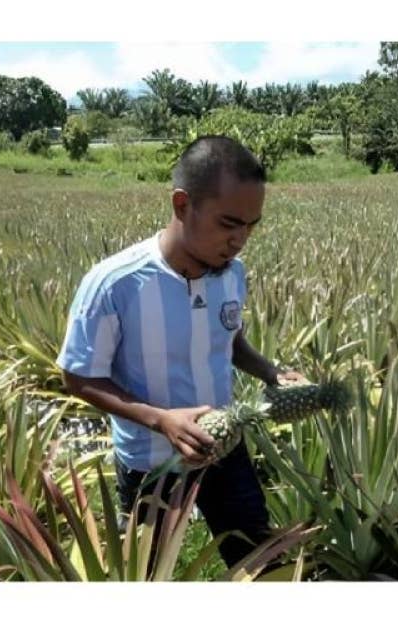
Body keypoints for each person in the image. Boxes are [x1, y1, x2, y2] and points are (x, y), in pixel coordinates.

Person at [55, 135, 306, 572]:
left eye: (251, 226)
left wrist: (270, 371)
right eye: (229, 223)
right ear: (181, 205)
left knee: (259, 559)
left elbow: (230, 341)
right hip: (151, 465)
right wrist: (161, 420)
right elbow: (77, 377)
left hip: (224, 446)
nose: (240, 240)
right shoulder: (115, 283)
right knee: (149, 574)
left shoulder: (232, 274)